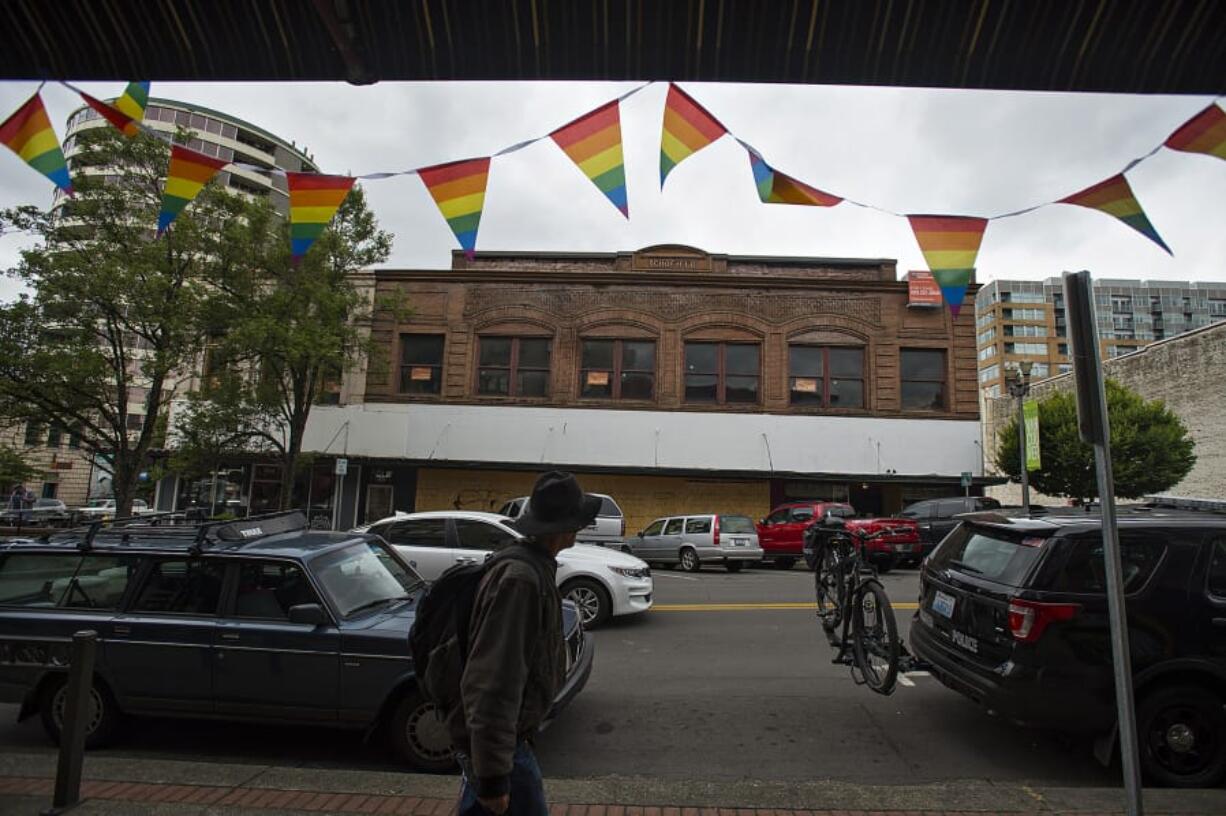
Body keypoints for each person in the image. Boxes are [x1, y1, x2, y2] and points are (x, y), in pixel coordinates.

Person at [448, 471, 600, 816]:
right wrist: (493, 779)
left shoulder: (534, 567)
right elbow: (491, 683)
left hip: (506, 749)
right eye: (576, 521)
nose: (580, 528)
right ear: (563, 526)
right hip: (505, 756)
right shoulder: (520, 581)